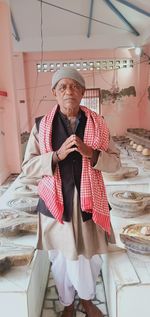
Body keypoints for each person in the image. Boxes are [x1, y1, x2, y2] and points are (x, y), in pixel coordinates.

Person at [22, 67, 121, 317]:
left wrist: (92, 153)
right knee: (61, 260)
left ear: (83, 92)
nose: (69, 91)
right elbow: (28, 167)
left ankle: (86, 301)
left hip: (90, 205)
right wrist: (55, 156)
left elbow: (116, 162)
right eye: (63, 87)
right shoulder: (41, 127)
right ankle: (67, 303)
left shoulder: (98, 124)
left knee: (90, 259)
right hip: (56, 207)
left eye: (75, 86)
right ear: (54, 92)